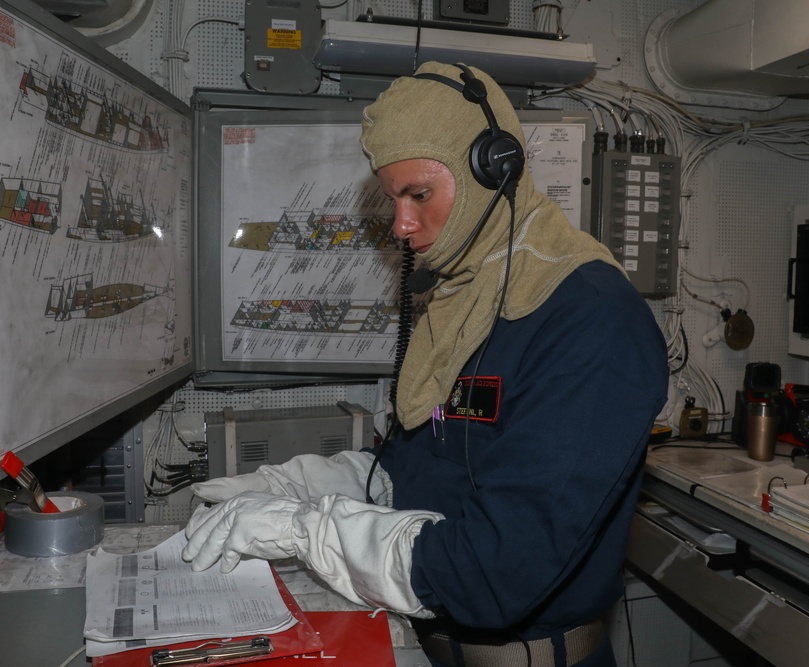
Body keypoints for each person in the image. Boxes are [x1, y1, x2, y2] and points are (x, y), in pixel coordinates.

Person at [181, 61, 669, 667]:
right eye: (392, 199)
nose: (402, 226)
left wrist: (305, 531)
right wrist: (296, 486)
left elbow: (493, 572)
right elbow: (423, 466)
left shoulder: (590, 322)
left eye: (419, 194)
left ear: (496, 170)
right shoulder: (465, 297)